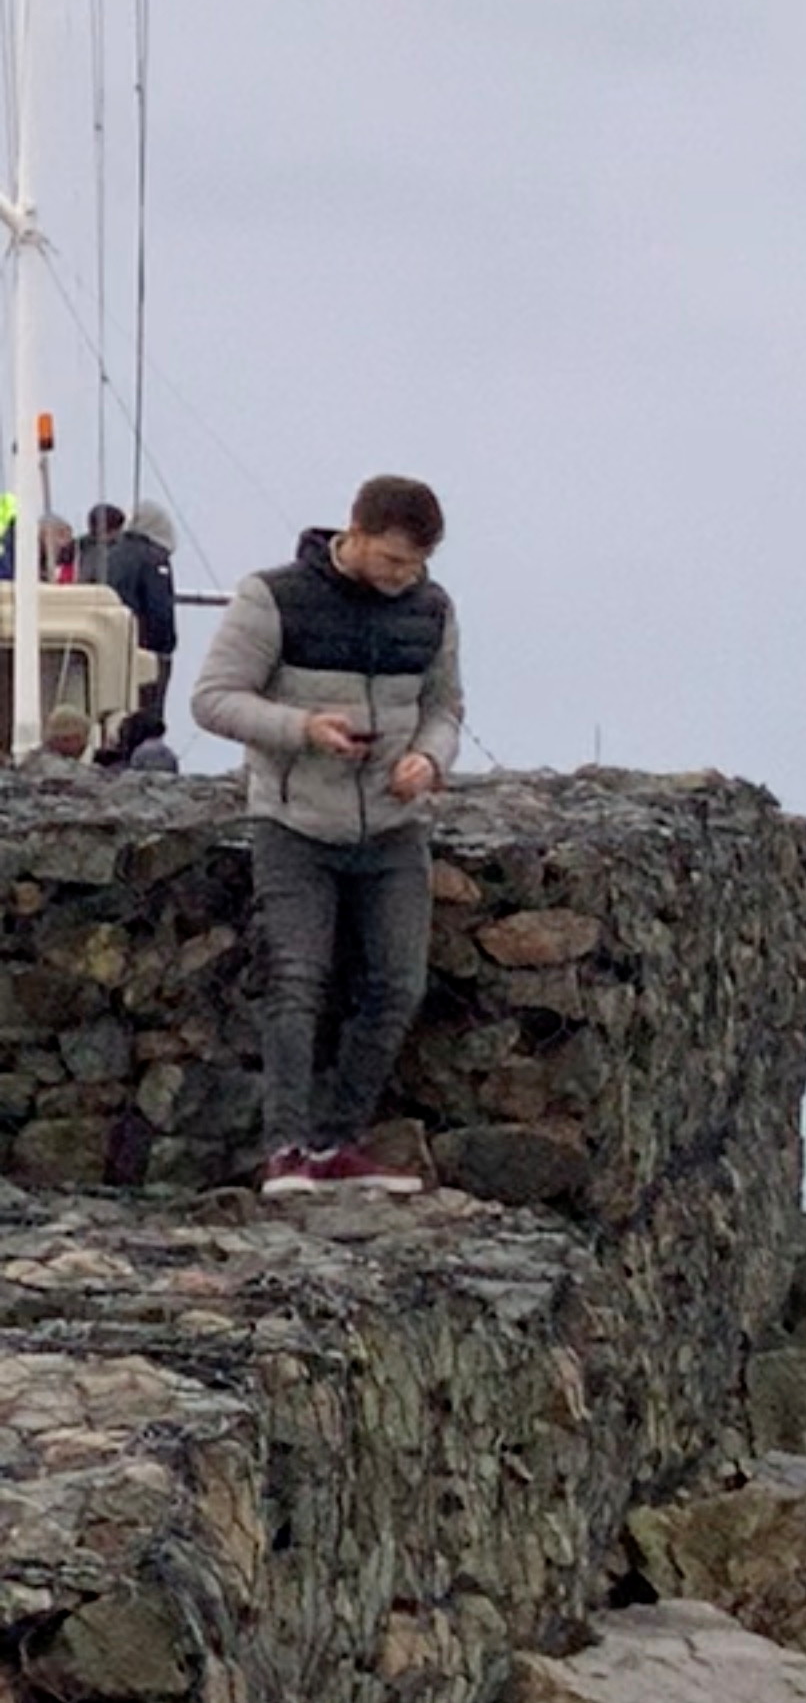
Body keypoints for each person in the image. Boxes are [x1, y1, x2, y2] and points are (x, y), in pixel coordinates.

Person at [187, 476, 459, 1197]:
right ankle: (285, 1151)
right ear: (356, 532)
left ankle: (337, 1142)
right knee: (296, 981)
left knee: (397, 986)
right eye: (394, 560)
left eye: (416, 564)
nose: (405, 577)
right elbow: (212, 699)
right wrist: (303, 731)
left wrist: (428, 760)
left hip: (394, 826)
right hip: (294, 822)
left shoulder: (430, 609)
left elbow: (445, 706)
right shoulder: (272, 597)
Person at [84, 501, 171, 741]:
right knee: (145, 714)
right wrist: (165, 647)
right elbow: (159, 610)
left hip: (109, 643)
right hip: (143, 648)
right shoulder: (153, 558)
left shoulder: (107, 553)